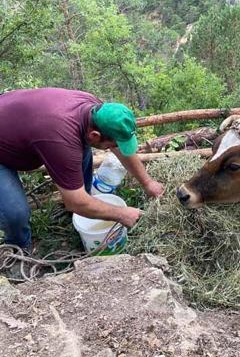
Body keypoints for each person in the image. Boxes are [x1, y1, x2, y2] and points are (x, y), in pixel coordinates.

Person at [0, 87, 164, 250]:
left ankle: (83, 209)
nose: (116, 148)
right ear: (95, 135)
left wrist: (147, 182)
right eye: (112, 144)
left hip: (14, 122)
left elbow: (119, 148)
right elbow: (74, 202)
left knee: (82, 147)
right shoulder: (61, 140)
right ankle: (18, 247)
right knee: (16, 214)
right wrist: (121, 214)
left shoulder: (96, 110)